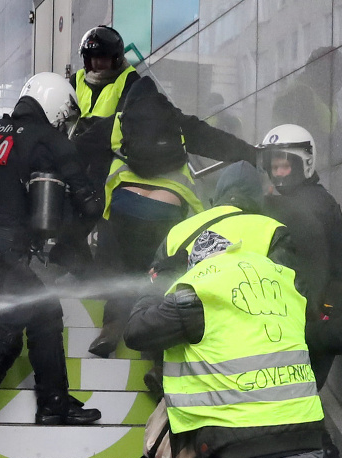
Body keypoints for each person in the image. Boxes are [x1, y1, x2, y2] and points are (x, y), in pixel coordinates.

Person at [131, 163, 326, 458]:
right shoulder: (280, 275)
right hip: (294, 429)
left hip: (234, 429)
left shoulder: (200, 278)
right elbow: (304, 304)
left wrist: (147, 296)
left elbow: (143, 325)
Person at [0, 71, 102, 458]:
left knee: (43, 310)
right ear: (57, 107)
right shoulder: (50, 139)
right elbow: (90, 205)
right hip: (6, 251)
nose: (65, 124)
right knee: (7, 334)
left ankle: (54, 402)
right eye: (65, 116)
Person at [77, 76, 256, 357]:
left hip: (126, 206)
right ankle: (158, 361)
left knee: (119, 267)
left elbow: (74, 151)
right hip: (168, 209)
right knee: (163, 271)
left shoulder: (118, 122)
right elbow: (216, 141)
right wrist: (255, 154)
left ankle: (110, 330)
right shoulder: (176, 121)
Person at [258, 124, 342, 458]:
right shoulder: (309, 201)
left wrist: (324, 312)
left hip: (320, 321)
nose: (279, 174)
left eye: (286, 166)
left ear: (305, 163)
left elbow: (331, 266)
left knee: (298, 394)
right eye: (274, 167)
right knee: (299, 393)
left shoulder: (314, 204)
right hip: (313, 319)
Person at [71, 25, 140, 135]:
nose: (97, 63)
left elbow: (124, 122)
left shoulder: (130, 80)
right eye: (92, 58)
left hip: (110, 149)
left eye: (102, 58)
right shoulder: (77, 79)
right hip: (73, 146)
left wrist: (82, 127)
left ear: (116, 59)